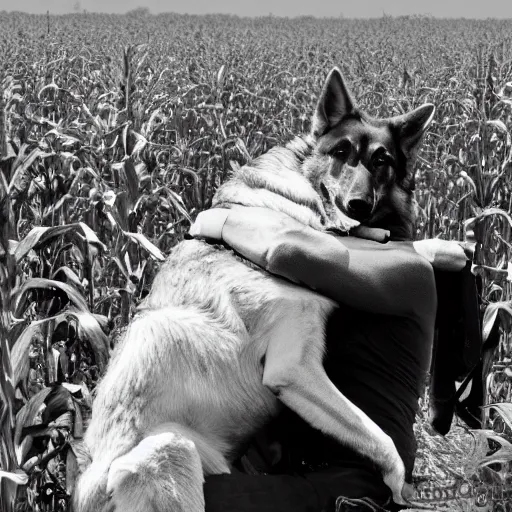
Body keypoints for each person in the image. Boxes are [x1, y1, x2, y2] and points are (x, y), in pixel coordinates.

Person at [189, 206, 470, 512]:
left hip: (357, 481)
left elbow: (283, 253)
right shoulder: (371, 272)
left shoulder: (409, 270)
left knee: (185, 497)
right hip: (308, 466)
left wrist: (222, 222)